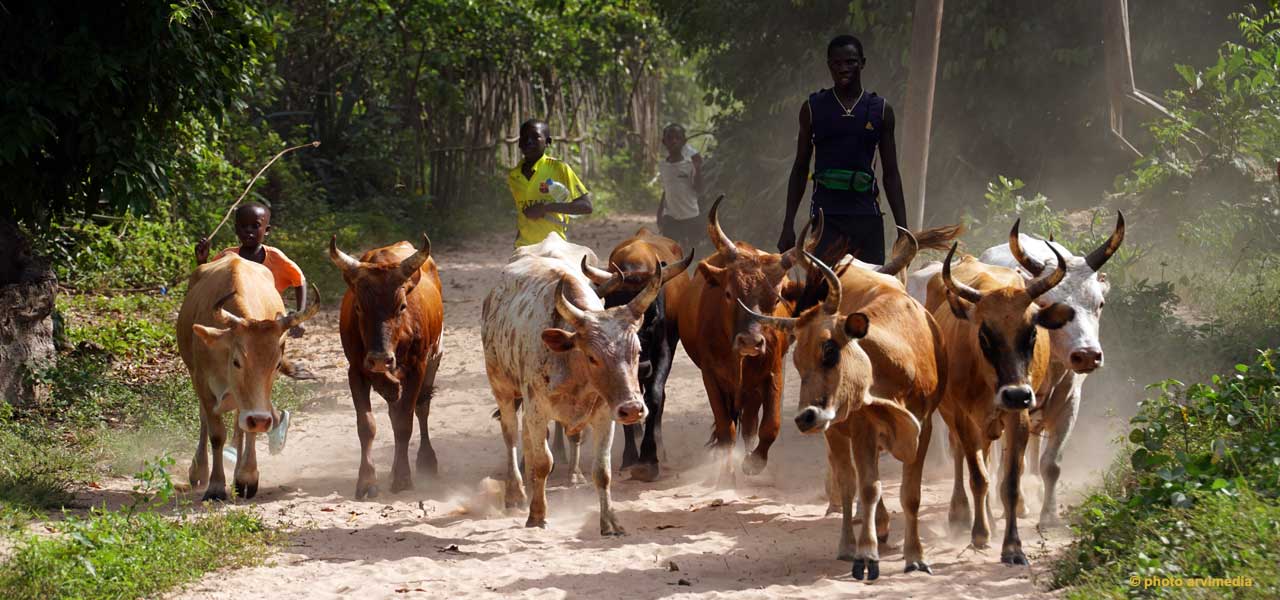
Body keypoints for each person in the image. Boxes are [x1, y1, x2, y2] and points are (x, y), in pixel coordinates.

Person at [777, 34, 909, 266]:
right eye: (837, 63)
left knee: (871, 288)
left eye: (850, 62)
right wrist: (788, 225)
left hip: (867, 216)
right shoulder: (813, 108)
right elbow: (800, 167)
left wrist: (903, 230)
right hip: (826, 217)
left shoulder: (880, 110)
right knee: (824, 289)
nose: (843, 68)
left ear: (863, 63)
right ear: (829, 65)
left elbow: (891, 174)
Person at [195, 202, 307, 455]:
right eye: (243, 226)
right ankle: (275, 420)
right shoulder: (226, 257)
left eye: (255, 226)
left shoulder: (275, 257)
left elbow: (299, 279)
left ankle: (240, 442)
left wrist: (298, 316)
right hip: (240, 327)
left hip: (266, 327)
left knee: (255, 378)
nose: (248, 231)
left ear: (266, 230)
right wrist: (200, 262)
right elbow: (209, 284)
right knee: (243, 377)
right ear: (235, 229)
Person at [508, 119, 593, 248]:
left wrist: (546, 207)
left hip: (554, 246)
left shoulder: (559, 168)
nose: (529, 141)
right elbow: (522, 216)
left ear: (548, 142)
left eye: (535, 137)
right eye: (524, 137)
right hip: (524, 247)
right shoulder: (513, 176)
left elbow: (586, 206)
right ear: (519, 143)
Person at [657, 123, 705, 255]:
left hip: (691, 216)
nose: (674, 141)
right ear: (664, 142)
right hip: (670, 217)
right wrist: (660, 211)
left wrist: (698, 169)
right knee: (668, 253)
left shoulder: (690, 164)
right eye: (670, 138)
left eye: (678, 138)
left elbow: (699, 189)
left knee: (693, 254)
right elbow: (666, 189)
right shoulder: (663, 165)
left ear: (684, 141)